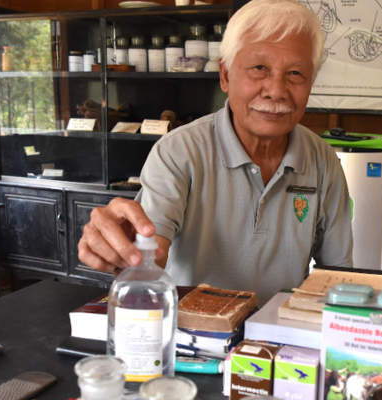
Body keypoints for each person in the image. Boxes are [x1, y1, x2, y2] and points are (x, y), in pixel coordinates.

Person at [78, 0, 353, 305]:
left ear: (311, 81)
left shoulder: (323, 161)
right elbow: (150, 249)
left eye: (295, 73)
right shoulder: (178, 152)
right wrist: (127, 250)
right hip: (194, 337)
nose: (276, 90)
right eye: (259, 68)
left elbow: (336, 274)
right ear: (225, 75)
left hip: (280, 338)